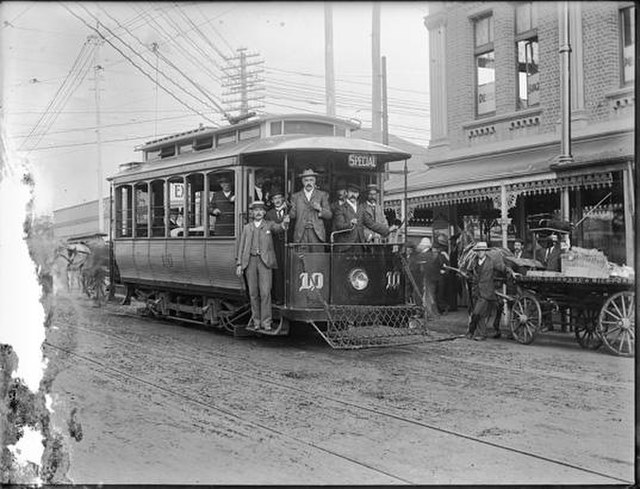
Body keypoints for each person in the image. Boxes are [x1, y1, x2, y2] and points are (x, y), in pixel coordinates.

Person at [236, 201, 289, 331]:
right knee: (253, 293)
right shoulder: (247, 228)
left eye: (260, 210)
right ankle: (256, 321)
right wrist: (239, 264)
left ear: (264, 212)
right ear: (252, 213)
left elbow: (280, 228)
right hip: (250, 262)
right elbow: (241, 246)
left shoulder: (269, 225)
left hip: (265, 262)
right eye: (255, 210)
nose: (258, 213)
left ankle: (266, 322)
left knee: (265, 293)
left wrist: (285, 222)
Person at [466, 241, 512, 341]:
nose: (480, 252)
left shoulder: (491, 262)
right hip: (476, 291)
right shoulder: (474, 262)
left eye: (482, 250)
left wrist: (512, 273)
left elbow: (503, 268)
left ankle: (471, 331)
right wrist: (469, 276)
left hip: (487, 292)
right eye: (478, 251)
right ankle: (481, 334)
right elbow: (469, 272)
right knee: (481, 314)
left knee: (476, 313)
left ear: (485, 251)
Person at [332, 183, 398, 252]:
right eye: (351, 192)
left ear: (358, 195)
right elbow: (339, 225)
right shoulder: (340, 208)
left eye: (356, 192)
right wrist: (350, 224)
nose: (353, 195)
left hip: (360, 245)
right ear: (347, 193)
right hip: (346, 246)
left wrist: (387, 230)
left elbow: (371, 223)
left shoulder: (361, 208)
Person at [288, 168, 332, 249]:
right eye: (306, 180)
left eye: (311, 180)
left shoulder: (322, 195)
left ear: (315, 181)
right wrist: (289, 209)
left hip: (317, 234)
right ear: (302, 181)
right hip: (301, 234)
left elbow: (329, 215)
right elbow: (292, 216)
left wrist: (320, 209)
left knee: (317, 259)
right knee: (301, 259)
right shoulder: (295, 196)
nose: (309, 183)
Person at [265, 188, 288, 304]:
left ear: (283, 198)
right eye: (275, 198)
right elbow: (271, 228)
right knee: (277, 271)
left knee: (288, 269)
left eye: (279, 198)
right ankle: (279, 297)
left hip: (287, 244)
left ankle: (289, 297)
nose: (277, 200)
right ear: (272, 201)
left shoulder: (289, 211)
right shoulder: (269, 214)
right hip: (275, 245)